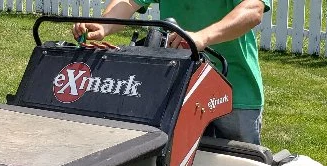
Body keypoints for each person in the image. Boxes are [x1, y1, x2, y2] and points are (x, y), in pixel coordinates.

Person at [73, 0, 270, 145]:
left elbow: (253, 9)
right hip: (179, 86)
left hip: (234, 90)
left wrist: (202, 37)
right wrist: (103, 25)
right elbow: (128, 3)